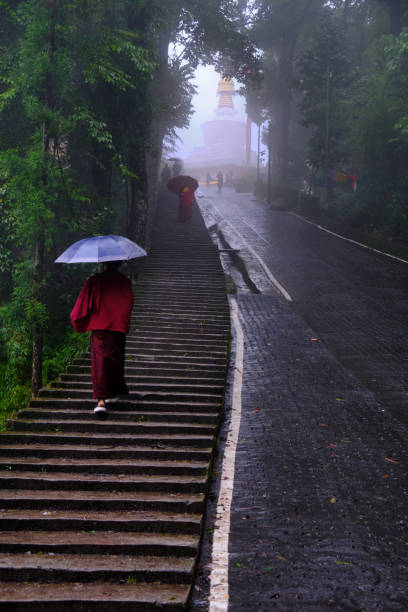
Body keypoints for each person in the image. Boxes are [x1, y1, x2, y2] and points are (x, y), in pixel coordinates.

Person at [70, 260, 133, 418]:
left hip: (100, 326)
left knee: (100, 363)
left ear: (104, 263)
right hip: (118, 327)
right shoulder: (124, 281)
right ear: (120, 264)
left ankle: (101, 401)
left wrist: (78, 320)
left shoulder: (95, 280)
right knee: (116, 360)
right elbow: (128, 303)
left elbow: (82, 304)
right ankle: (112, 393)